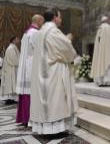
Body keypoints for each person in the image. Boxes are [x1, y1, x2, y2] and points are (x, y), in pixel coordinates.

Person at [29, 8, 78, 136]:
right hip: (54, 72)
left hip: (43, 71)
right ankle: (55, 130)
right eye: (60, 17)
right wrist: (67, 40)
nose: (61, 20)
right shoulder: (53, 31)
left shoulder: (41, 32)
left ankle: (48, 129)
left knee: (47, 100)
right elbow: (67, 50)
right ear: (55, 17)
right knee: (56, 99)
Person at [16, 15, 44, 127]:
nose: (43, 23)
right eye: (42, 21)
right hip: (32, 65)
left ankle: (24, 118)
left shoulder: (26, 33)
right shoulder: (35, 33)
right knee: (30, 93)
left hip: (25, 66)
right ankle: (30, 118)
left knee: (26, 92)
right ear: (38, 21)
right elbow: (40, 50)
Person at [91, 16, 110, 87]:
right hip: (107, 51)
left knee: (100, 63)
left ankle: (100, 81)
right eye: (109, 20)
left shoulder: (99, 29)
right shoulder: (108, 28)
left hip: (100, 51)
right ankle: (107, 82)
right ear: (107, 21)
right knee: (108, 63)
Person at [0, 36, 21, 104]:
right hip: (11, 70)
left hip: (13, 68)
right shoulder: (11, 48)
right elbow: (14, 59)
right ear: (14, 41)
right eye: (18, 39)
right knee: (11, 85)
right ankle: (10, 99)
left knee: (12, 85)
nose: (19, 40)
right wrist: (21, 63)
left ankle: (11, 99)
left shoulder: (14, 48)